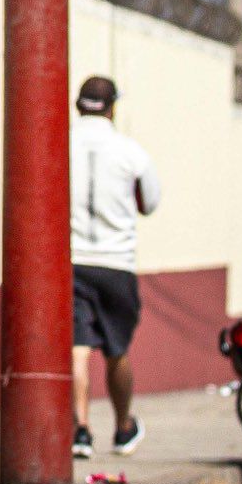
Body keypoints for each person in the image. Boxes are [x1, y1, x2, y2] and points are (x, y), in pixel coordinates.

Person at [68, 76, 160, 458]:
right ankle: (123, 427)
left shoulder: (61, 143)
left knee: (76, 349)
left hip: (71, 261)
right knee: (116, 350)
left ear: (78, 105)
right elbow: (149, 203)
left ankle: (80, 430)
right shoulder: (131, 152)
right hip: (116, 263)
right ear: (112, 108)